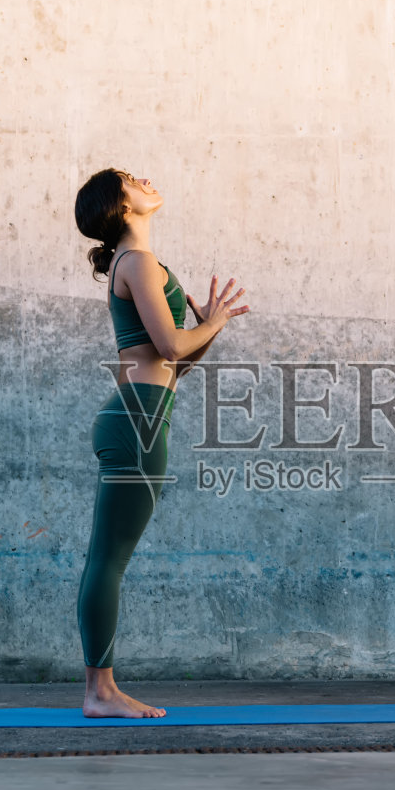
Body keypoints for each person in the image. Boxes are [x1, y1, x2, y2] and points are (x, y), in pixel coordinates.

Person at [71, 168, 249, 717]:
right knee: (109, 562)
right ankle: (100, 692)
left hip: (140, 415)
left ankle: (100, 689)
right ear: (119, 204)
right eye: (130, 178)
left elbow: (176, 362)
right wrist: (209, 322)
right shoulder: (138, 264)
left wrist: (209, 326)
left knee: (107, 559)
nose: (144, 178)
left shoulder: (140, 266)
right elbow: (172, 346)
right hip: (138, 420)